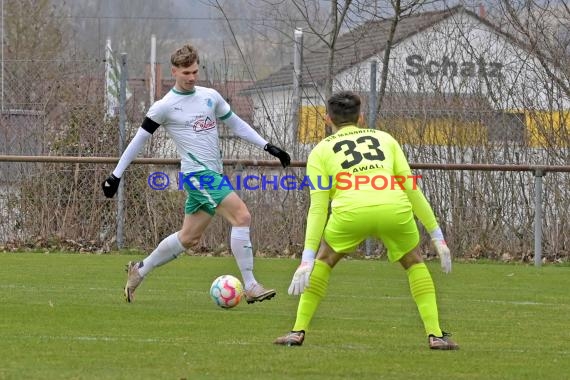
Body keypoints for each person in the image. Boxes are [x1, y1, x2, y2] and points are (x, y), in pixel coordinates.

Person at [101, 44, 291, 304]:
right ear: (174, 71)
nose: (191, 77)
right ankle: (251, 285)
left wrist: (267, 146)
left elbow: (236, 123)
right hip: (197, 176)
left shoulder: (209, 96)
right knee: (242, 216)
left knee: (189, 238)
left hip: (214, 174)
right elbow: (138, 141)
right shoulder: (164, 106)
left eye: (195, 72)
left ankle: (140, 270)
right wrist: (116, 175)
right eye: (186, 72)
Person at [274, 91, 458, 350]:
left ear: (328, 120)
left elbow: (318, 208)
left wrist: (307, 259)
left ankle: (298, 331)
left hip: (351, 212)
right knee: (414, 261)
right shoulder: (385, 139)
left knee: (324, 261)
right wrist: (437, 235)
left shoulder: (320, 151)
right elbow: (411, 189)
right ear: (361, 118)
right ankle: (435, 335)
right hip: (393, 208)